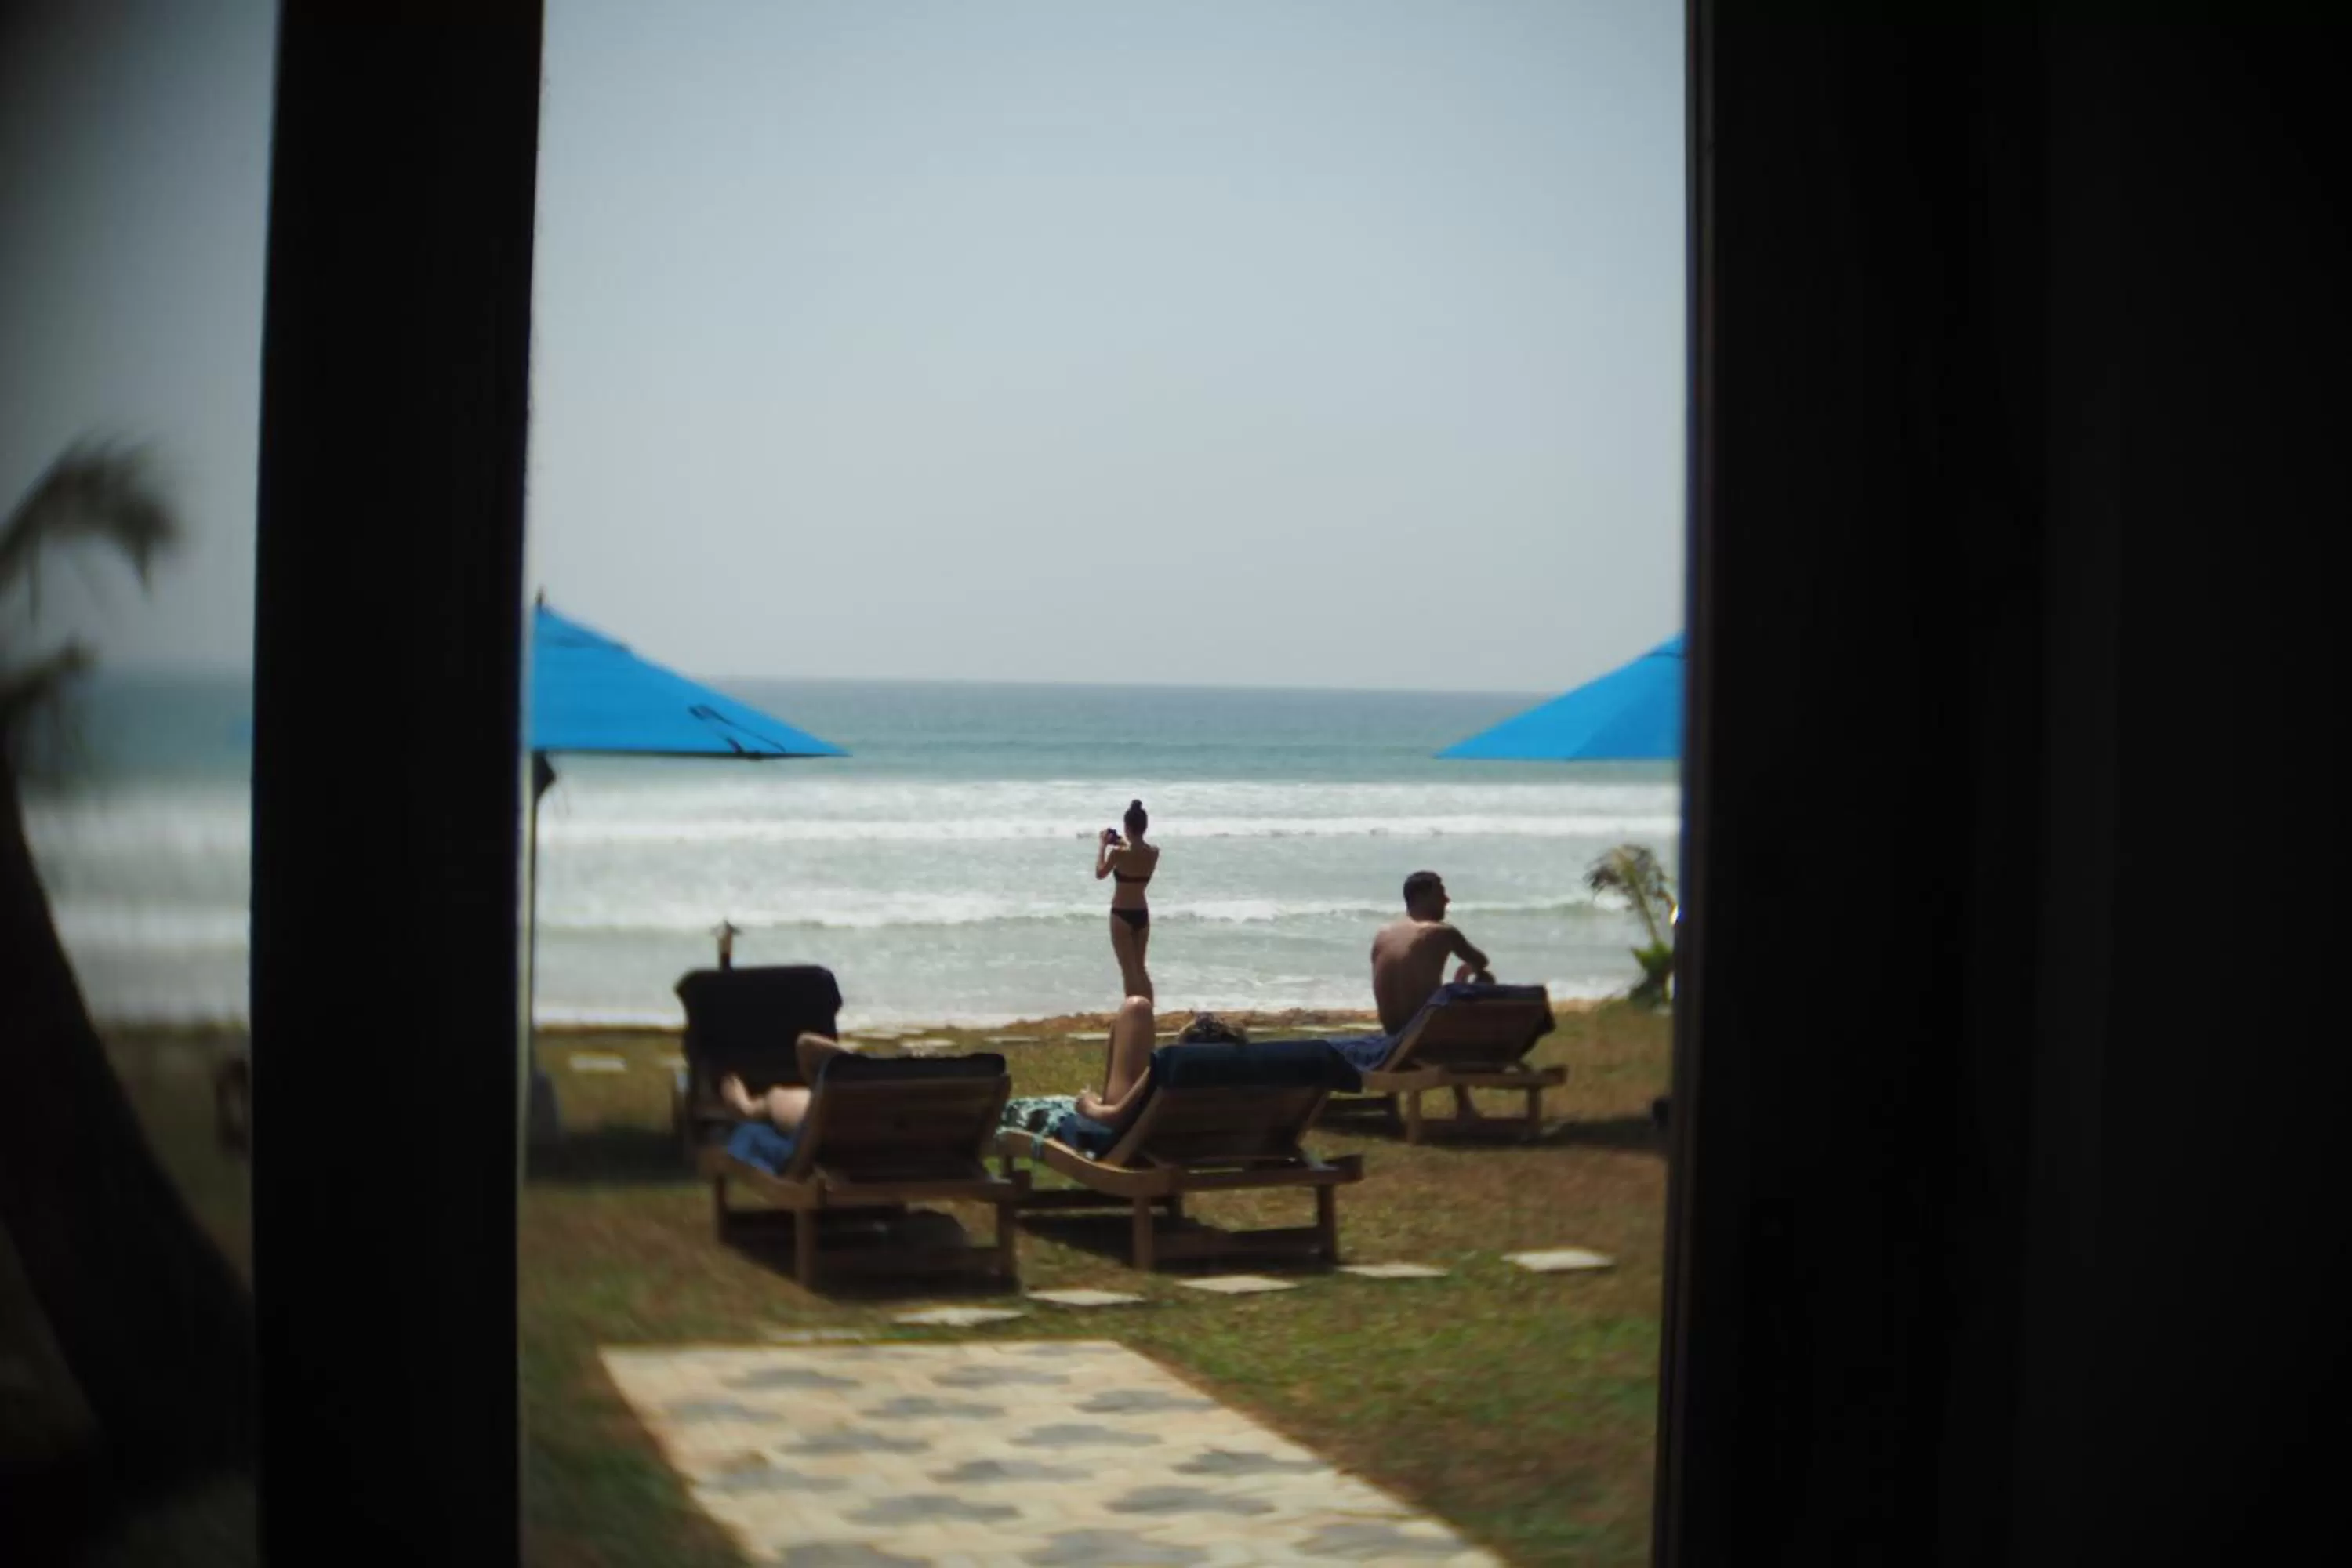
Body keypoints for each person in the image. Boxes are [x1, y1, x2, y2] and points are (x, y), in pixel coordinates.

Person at [1370, 869, 1496, 1120]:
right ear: (1421, 897)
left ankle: (1392, 1100)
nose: (1447, 900)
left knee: (1433, 1007)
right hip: (1426, 1037)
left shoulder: (1383, 934)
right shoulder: (1441, 932)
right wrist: (1467, 975)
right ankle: (1465, 1105)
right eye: (1440, 893)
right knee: (1485, 980)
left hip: (1392, 1032)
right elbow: (1481, 961)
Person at [1094, 798, 1160, 1003]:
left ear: (1126, 826)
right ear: (1144, 827)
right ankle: (1148, 1013)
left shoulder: (1117, 853)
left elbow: (1100, 873)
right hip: (1142, 913)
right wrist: (1122, 841)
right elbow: (1136, 848)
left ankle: (1134, 1015)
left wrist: (1103, 846)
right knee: (1140, 969)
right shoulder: (1153, 853)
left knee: (1128, 971)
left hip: (1121, 913)